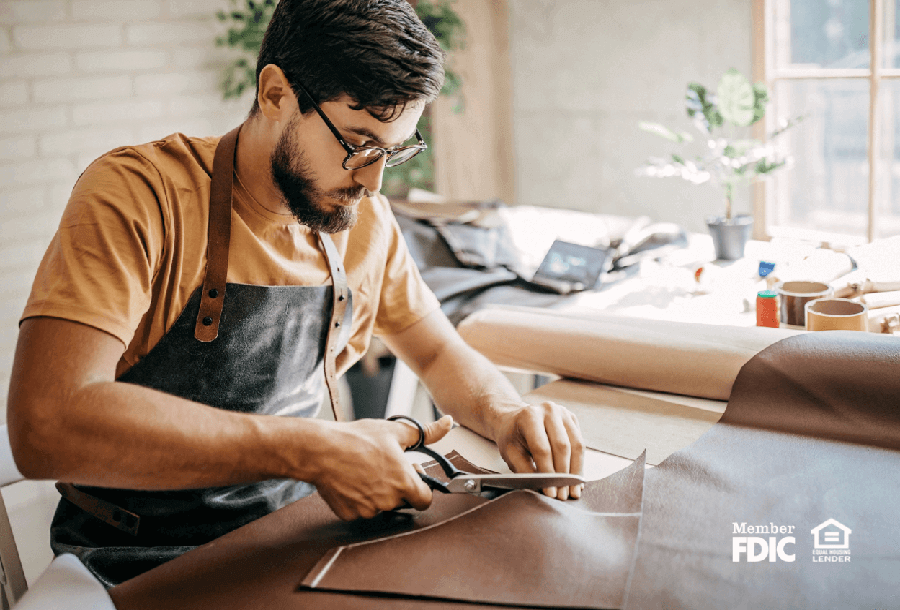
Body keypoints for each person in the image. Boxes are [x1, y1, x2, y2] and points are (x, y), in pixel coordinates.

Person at [6, 0, 584, 588]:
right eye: (359, 144)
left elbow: (435, 352)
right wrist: (313, 450)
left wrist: (504, 410)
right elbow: (47, 423)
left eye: (395, 150)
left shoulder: (364, 221)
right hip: (142, 561)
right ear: (276, 93)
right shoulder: (139, 196)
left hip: (305, 535)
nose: (374, 180)